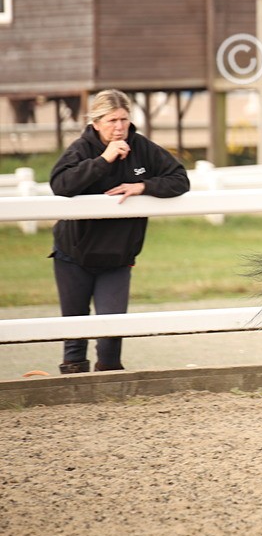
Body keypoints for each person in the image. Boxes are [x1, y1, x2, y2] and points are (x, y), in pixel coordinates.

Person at [49, 89, 190, 373]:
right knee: (74, 336)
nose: (119, 126)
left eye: (124, 119)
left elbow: (180, 179)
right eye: (112, 120)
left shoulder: (142, 148)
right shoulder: (82, 148)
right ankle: (72, 393)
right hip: (74, 255)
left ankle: (110, 394)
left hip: (117, 257)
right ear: (96, 123)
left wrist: (144, 186)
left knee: (112, 334)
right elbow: (60, 184)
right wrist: (105, 160)